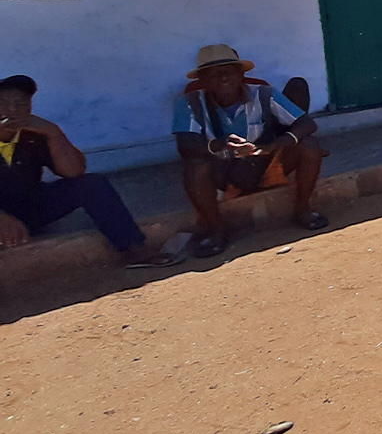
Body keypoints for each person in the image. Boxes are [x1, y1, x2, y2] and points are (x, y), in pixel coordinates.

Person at [0, 74, 172, 267]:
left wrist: (54, 133)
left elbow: (74, 172)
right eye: (3, 103)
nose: (13, 110)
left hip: (29, 205)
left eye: (22, 103)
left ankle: (134, 250)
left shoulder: (35, 135)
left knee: (91, 185)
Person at [173, 44, 327, 258]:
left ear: (241, 74)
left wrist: (279, 143)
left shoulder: (263, 94)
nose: (224, 78)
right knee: (194, 166)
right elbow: (185, 145)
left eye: (229, 71)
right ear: (203, 80)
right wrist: (221, 145)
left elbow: (306, 123)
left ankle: (302, 210)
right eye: (214, 74)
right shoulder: (190, 103)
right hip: (223, 170)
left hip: (265, 163)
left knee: (309, 146)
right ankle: (216, 229)